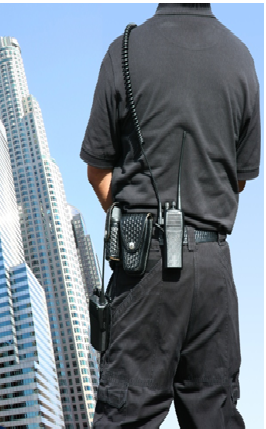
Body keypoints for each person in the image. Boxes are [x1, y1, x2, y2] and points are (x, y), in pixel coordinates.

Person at [80, 4, 260, 428]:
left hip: (143, 262)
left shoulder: (123, 50)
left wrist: (136, 231)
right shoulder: (242, 57)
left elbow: (97, 170)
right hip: (213, 265)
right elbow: (239, 178)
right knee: (215, 413)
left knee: (126, 413)